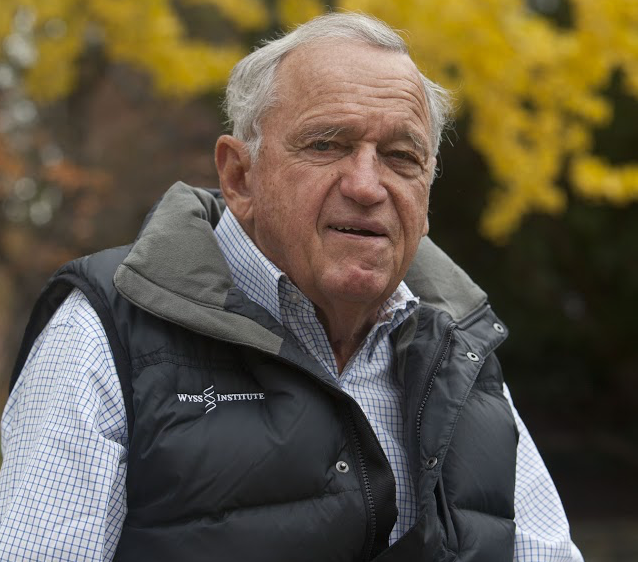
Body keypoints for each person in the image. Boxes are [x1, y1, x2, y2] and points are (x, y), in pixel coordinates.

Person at [0, 12, 582, 562]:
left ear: (426, 197)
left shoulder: (461, 350)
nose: (366, 185)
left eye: (401, 157)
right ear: (239, 176)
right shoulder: (107, 331)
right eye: (326, 144)